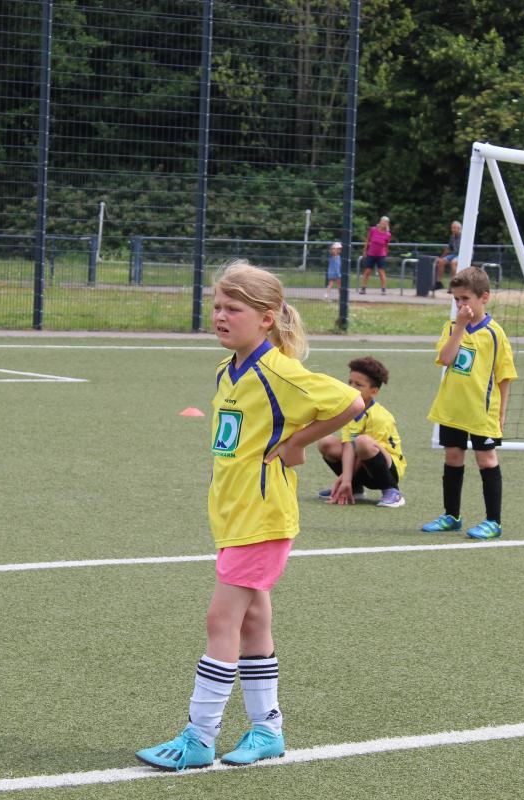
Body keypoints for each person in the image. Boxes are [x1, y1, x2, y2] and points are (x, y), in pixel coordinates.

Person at [136, 260, 363, 771]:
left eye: (233, 309)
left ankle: (199, 736)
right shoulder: (227, 370)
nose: (220, 316)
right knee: (254, 621)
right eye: (217, 306)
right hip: (232, 513)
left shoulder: (279, 371)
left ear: (266, 317)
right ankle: (267, 730)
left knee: (221, 620)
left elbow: (350, 402)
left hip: (262, 516)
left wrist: (298, 441)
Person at [421, 266, 517, 540]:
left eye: (466, 298)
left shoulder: (495, 334)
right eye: (456, 299)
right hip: (452, 408)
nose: (461, 304)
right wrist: (460, 327)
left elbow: (504, 375)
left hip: (481, 411)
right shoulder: (452, 327)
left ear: (484, 297)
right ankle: (451, 516)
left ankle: (493, 521)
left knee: (486, 460)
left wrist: (502, 412)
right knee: (453, 457)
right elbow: (446, 358)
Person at [316, 356, 406, 508]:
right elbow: (348, 445)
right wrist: (346, 480)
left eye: (358, 385)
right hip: (362, 463)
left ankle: (392, 491)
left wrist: (345, 478)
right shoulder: (351, 409)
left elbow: (364, 450)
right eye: (350, 382)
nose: (352, 387)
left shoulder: (379, 417)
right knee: (326, 443)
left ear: (374, 391)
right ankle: (355, 488)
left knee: (362, 442)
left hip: (387, 469)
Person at [358, 216, 391, 295]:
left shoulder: (388, 234)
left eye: (385, 222)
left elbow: (386, 245)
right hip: (371, 253)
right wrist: (364, 250)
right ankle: (363, 288)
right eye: (382, 221)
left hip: (381, 255)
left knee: (381, 272)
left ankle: (383, 289)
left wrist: (386, 253)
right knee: (367, 271)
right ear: (380, 222)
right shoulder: (373, 230)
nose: (383, 223)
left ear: (387, 224)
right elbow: (367, 240)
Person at [433, 220, 461, 290]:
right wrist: (441, 257)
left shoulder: (464, 236)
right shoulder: (452, 236)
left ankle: (454, 284)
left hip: (463, 254)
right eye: (452, 228)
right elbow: (449, 248)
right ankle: (439, 283)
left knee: (453, 262)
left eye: (454, 228)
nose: (453, 230)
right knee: (441, 261)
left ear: (459, 228)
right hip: (455, 254)